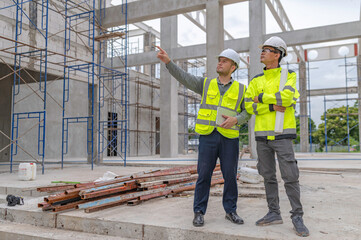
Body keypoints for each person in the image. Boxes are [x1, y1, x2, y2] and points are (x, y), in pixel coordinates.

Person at [156, 46, 250, 227]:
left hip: (229, 138)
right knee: (204, 175)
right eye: (219, 60)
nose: (220, 63)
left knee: (230, 175)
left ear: (233, 67)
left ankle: (231, 211)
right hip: (208, 137)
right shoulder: (206, 84)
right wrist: (169, 62)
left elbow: (248, 113)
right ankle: (199, 212)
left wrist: (236, 120)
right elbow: (184, 77)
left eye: (224, 61)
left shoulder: (241, 89)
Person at [244, 36, 309, 237]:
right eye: (262, 49)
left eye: (267, 49)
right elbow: (248, 105)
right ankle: (274, 213)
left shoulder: (288, 75)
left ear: (277, 54)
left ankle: (297, 216)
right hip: (262, 136)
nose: (262, 52)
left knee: (290, 176)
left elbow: (287, 98)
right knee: (268, 176)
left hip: (282, 135)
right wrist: (272, 105)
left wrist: (261, 98)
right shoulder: (255, 80)